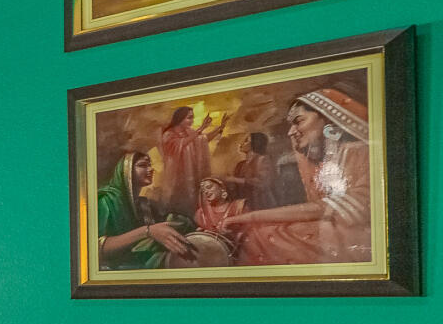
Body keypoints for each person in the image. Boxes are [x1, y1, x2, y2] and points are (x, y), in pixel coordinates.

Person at [224, 86, 372, 268]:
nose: (290, 132)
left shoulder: (359, 152)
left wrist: (250, 216)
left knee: (258, 236)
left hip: (358, 237)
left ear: (327, 119)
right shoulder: (322, 162)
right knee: (255, 233)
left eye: (298, 121)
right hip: (329, 228)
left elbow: (323, 208)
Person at [95, 147, 192, 269]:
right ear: (126, 170)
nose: (151, 169)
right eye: (142, 165)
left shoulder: (144, 204)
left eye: (150, 165)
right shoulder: (106, 200)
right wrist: (148, 231)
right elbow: (96, 249)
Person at [152, 104, 220, 218]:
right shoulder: (169, 134)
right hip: (177, 177)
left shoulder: (190, 132)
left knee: (194, 199)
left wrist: (220, 128)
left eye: (192, 117)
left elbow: (203, 139)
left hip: (192, 173)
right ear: (180, 118)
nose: (192, 121)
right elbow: (181, 144)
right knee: (179, 204)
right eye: (189, 117)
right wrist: (201, 128)